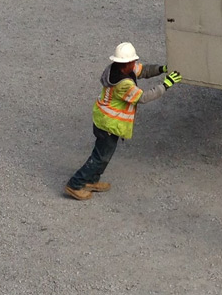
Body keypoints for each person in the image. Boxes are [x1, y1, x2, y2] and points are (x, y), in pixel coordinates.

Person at [64, 42, 182, 200]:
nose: (135, 64)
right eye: (133, 61)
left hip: (104, 119)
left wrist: (161, 69)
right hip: (108, 124)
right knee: (100, 157)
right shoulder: (123, 84)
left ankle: (91, 181)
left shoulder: (118, 68)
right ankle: (75, 184)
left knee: (104, 154)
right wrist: (166, 85)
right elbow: (143, 97)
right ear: (125, 64)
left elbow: (143, 70)